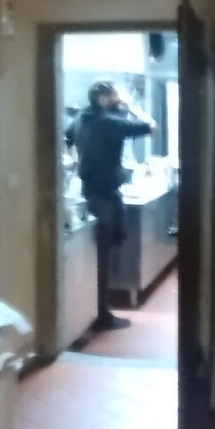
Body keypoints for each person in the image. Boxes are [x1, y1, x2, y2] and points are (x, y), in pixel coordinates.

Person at [65, 80, 156, 332]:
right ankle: (102, 314)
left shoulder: (83, 118)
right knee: (103, 257)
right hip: (105, 196)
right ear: (104, 97)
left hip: (90, 192)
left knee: (97, 256)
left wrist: (77, 161)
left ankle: (95, 309)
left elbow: (68, 138)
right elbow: (151, 127)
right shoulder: (108, 122)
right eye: (114, 95)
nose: (118, 99)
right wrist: (131, 105)